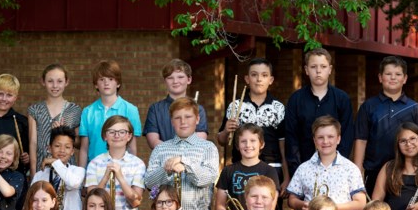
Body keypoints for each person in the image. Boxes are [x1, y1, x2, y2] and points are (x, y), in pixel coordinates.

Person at [353, 55, 418, 195]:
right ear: (380, 77)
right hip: (374, 170)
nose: (393, 78)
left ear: (405, 79)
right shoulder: (368, 107)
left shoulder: (415, 108)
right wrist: (358, 169)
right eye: (388, 74)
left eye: (398, 74)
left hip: (407, 172)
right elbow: (361, 140)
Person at [287, 116, 366, 210]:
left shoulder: (350, 169)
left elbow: (361, 203)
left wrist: (330, 209)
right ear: (314, 140)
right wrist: (302, 205)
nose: (325, 141)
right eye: (320, 137)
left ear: (338, 139)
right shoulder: (304, 168)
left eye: (330, 137)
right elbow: (291, 199)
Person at [217, 57, 288, 192]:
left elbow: (283, 146)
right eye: (254, 75)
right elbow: (222, 140)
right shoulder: (235, 106)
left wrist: (286, 176)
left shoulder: (278, 107)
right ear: (247, 79)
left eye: (264, 75)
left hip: (271, 166)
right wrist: (226, 130)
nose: (259, 79)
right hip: (242, 167)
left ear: (271, 80)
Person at [284, 48, 354, 176]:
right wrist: (297, 170)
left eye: (323, 66)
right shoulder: (296, 99)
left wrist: (337, 167)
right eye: (313, 66)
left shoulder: (342, 99)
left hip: (335, 170)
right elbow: (291, 138)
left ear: (330, 69)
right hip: (302, 168)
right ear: (306, 70)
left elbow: (347, 136)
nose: (318, 71)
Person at [84, 116, 145, 210]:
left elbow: (135, 201)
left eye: (122, 132)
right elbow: (90, 200)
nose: (117, 135)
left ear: (129, 136)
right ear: (105, 136)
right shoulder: (94, 163)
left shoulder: (138, 164)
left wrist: (120, 177)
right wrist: (105, 177)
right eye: (112, 132)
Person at [79, 60, 142, 166]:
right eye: (101, 79)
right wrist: (81, 176)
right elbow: (84, 149)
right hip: (94, 171)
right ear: (96, 85)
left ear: (118, 83)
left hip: (122, 170)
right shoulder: (87, 112)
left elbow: (132, 147)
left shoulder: (131, 110)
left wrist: (132, 172)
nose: (106, 83)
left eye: (111, 79)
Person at [27, 63, 82, 176]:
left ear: (66, 82)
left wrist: (65, 131)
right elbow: (33, 143)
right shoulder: (35, 110)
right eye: (50, 81)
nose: (55, 85)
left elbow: (78, 144)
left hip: (66, 168)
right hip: (42, 167)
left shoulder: (74, 110)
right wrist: (33, 172)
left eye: (59, 81)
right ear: (43, 82)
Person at [144, 59, 208, 148]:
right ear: (165, 81)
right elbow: (153, 140)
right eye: (170, 78)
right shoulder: (155, 109)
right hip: (164, 158)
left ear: (189, 79)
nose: (175, 81)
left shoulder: (198, 109)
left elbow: (200, 138)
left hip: (191, 158)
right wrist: (172, 153)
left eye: (180, 77)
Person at [31, 126, 85, 210]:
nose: (62, 150)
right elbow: (31, 200)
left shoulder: (78, 171)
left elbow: (73, 183)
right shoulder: (40, 175)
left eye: (67, 147)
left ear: (73, 151)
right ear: (49, 148)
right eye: (57, 146)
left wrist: (55, 162)